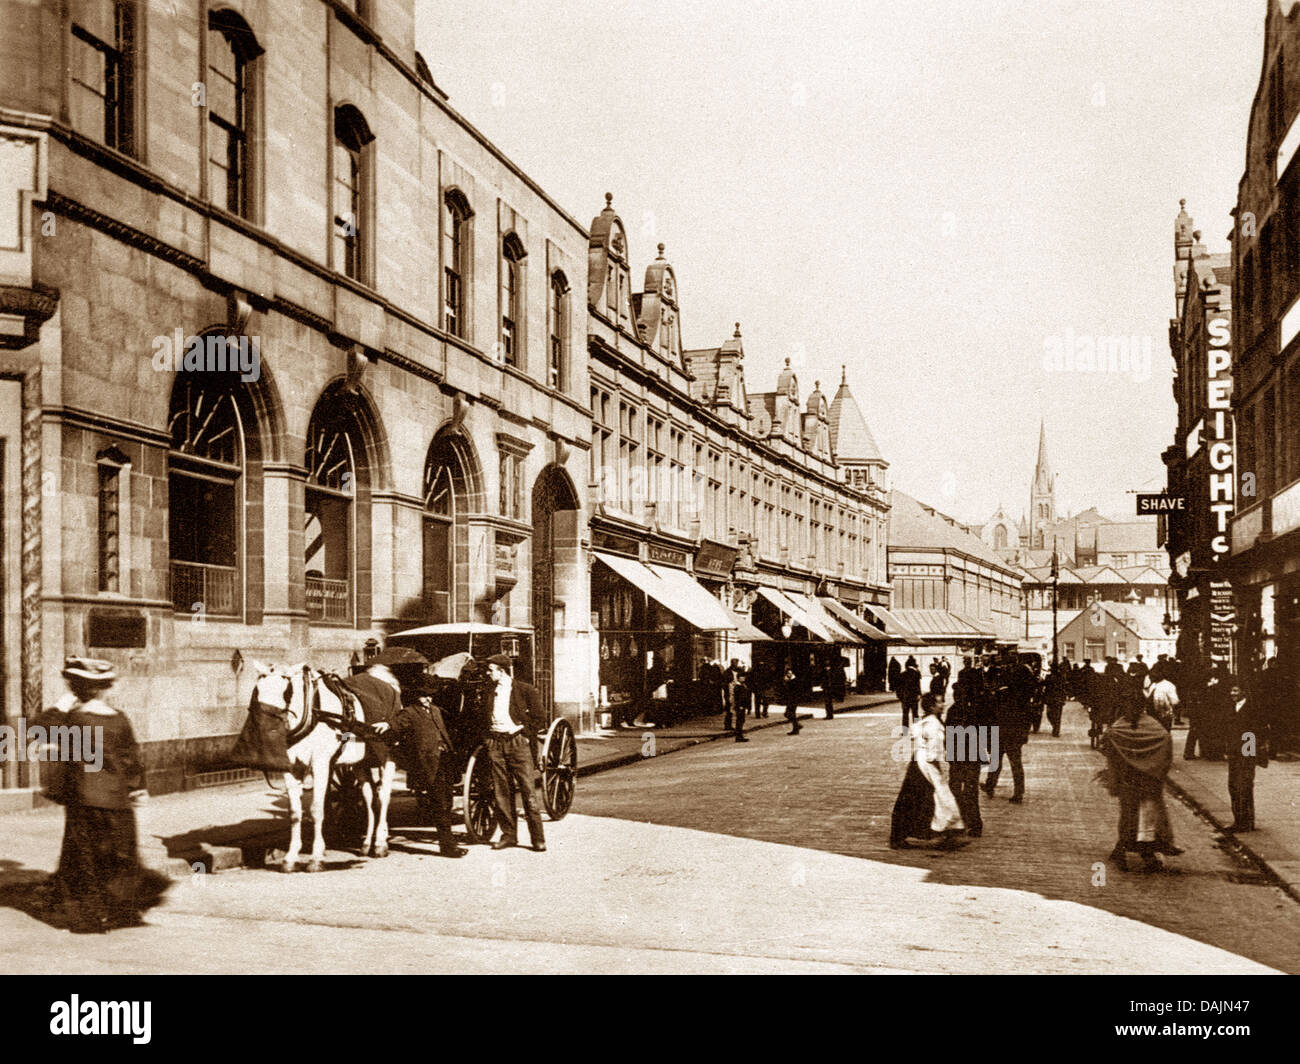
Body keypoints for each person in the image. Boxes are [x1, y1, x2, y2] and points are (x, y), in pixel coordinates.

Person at [39, 658, 169, 933]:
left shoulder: (75, 719)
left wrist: (62, 704)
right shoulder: (119, 718)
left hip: (84, 799)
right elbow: (131, 758)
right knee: (119, 856)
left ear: (77, 688)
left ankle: (89, 917)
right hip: (117, 799)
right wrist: (137, 788)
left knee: (84, 859)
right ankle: (121, 913)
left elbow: (38, 729)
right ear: (104, 687)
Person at [1100, 690, 1182, 872]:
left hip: (1138, 779)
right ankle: (1131, 852)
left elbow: (1164, 741)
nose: (1129, 710)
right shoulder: (1146, 725)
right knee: (1135, 816)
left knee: (1141, 817)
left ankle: (1133, 851)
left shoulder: (1128, 725)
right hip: (1139, 779)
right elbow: (1165, 742)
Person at [483, 654, 547, 852]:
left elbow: (539, 718)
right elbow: (482, 716)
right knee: (501, 792)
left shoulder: (524, 689)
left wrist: (525, 735)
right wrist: (488, 739)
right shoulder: (488, 690)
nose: (487, 673)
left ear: (501, 671)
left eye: (490, 670)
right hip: (496, 743)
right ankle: (509, 836)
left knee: (528, 791)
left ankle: (538, 838)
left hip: (518, 743)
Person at [890, 693, 966, 849]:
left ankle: (903, 834)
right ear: (932, 707)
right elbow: (933, 752)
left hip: (917, 761)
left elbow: (914, 735)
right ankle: (943, 832)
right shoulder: (933, 725)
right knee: (937, 797)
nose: (943, 705)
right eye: (940, 702)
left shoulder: (924, 721)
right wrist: (939, 770)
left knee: (914, 797)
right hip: (927, 765)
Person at [945, 668, 989, 838]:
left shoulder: (957, 710)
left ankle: (964, 821)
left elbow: (948, 734)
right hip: (969, 755)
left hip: (962, 755)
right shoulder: (977, 708)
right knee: (969, 790)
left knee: (958, 788)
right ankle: (972, 822)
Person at [983, 653, 1031, 803]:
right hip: (1010, 732)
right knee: (1011, 762)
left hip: (1006, 732)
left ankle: (993, 786)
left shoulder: (1005, 694)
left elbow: (993, 711)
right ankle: (1014, 791)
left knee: (1001, 760)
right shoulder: (1021, 700)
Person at [1224, 679, 1270, 833]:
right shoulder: (1231, 707)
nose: (1232, 693)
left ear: (1243, 692)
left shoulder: (1251, 709)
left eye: (1236, 690)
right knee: (1233, 786)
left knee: (1244, 785)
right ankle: (1239, 819)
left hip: (1245, 753)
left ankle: (1246, 821)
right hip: (1234, 753)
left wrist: (1246, 755)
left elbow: (1254, 732)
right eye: (1231, 690)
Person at [1043, 660, 1067, 737]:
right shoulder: (1049, 677)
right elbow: (1044, 684)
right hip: (1050, 699)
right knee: (1049, 714)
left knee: (1057, 715)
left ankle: (1056, 730)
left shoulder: (1061, 677)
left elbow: (1064, 687)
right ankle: (1055, 726)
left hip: (1058, 698)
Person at [897, 656, 922, 728]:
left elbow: (899, 688)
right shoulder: (916, 674)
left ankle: (905, 731)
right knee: (915, 714)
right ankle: (917, 730)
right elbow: (918, 686)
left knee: (905, 715)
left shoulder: (902, 674)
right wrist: (919, 694)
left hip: (905, 697)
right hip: (914, 697)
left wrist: (900, 697)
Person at [732, 662, 751, 742]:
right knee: (739, 721)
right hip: (740, 706)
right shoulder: (738, 687)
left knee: (741, 720)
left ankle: (740, 735)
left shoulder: (743, 685)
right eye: (742, 677)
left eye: (744, 677)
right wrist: (740, 705)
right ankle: (738, 736)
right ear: (739, 678)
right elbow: (738, 698)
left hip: (742, 705)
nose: (743, 678)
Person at [781, 664, 801, 735]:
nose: (789, 674)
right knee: (788, 714)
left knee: (790, 714)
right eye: (788, 673)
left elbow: (794, 690)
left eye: (790, 673)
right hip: (790, 700)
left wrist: (787, 682)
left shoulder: (794, 680)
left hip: (794, 700)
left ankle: (796, 729)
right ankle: (797, 726)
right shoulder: (788, 680)